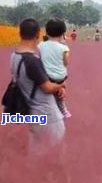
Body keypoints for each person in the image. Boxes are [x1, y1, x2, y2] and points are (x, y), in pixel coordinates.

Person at [10, 19, 66, 157]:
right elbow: (47, 87)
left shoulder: (14, 56)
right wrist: (61, 85)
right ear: (37, 34)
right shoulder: (32, 61)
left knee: (36, 156)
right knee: (55, 156)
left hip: (32, 115)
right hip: (47, 116)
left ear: (20, 33)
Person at [38, 19, 71, 118]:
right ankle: (62, 110)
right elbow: (66, 63)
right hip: (59, 78)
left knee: (46, 94)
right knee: (60, 93)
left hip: (45, 76)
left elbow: (39, 58)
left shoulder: (40, 45)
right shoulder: (64, 48)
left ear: (46, 32)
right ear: (63, 33)